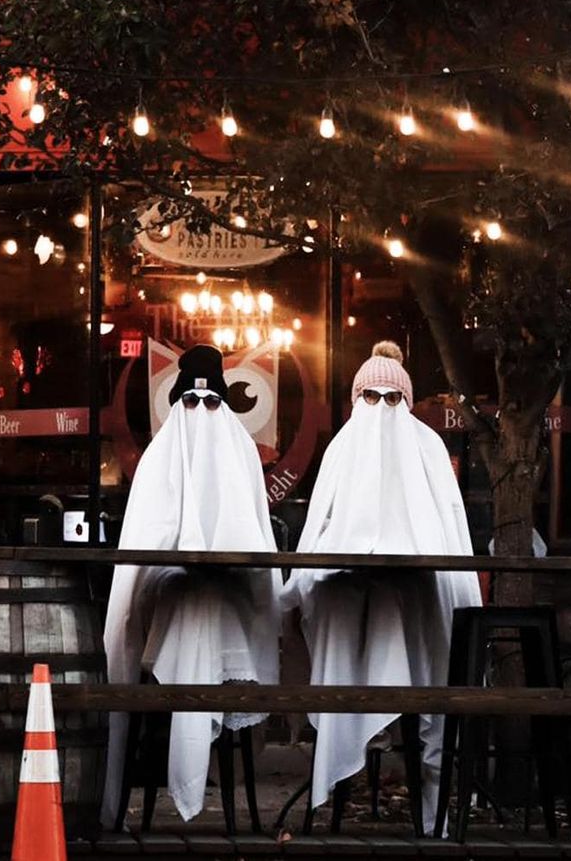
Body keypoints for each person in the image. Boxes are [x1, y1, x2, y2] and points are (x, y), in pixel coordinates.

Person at [283, 341, 481, 834]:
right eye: (369, 399)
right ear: (355, 402)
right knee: (344, 629)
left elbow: (450, 526)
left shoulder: (427, 448)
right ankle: (346, 748)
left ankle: (425, 798)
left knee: (415, 648)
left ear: (408, 404)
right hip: (348, 599)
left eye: (393, 400)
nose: (381, 410)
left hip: (415, 602)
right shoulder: (343, 448)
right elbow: (320, 527)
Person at [101, 344, 282, 825]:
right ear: (176, 404)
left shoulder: (239, 452)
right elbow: (143, 543)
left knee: (204, 614)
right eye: (190, 402)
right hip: (167, 615)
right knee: (182, 613)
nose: (200, 412)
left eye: (211, 402)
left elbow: (254, 540)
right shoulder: (162, 457)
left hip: (230, 619)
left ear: (224, 405)